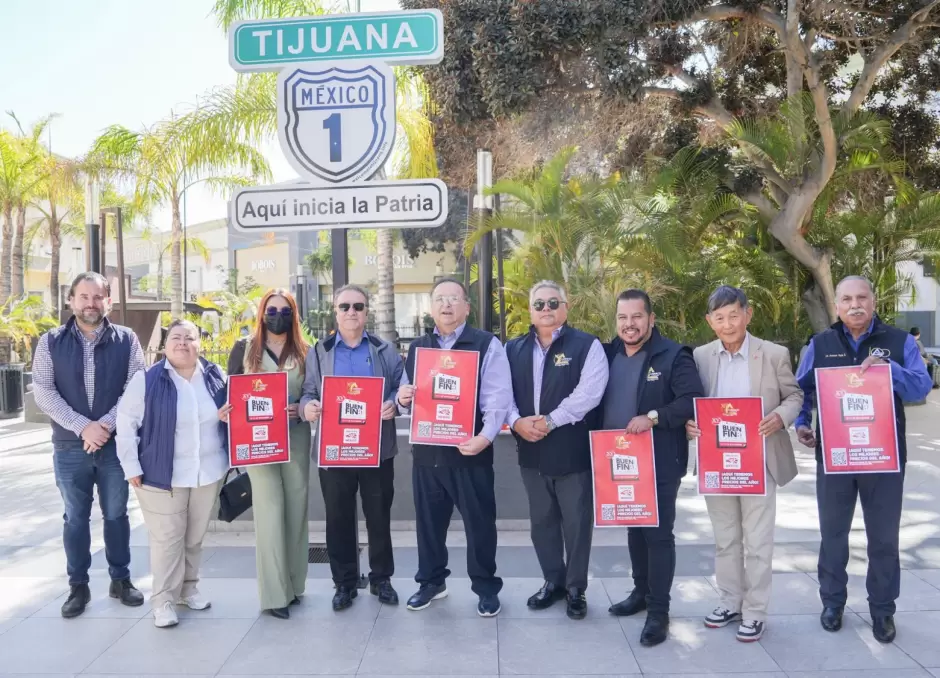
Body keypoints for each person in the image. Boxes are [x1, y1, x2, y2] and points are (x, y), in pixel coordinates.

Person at [795, 276, 932, 643]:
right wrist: (801, 423)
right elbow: (801, 390)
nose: (855, 304)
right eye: (846, 299)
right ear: (836, 304)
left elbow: (921, 387)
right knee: (833, 534)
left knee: (883, 539)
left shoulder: (899, 342)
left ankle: (883, 611)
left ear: (873, 300)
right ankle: (833, 603)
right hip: (836, 457)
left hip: (883, 458)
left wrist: (889, 370)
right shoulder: (820, 344)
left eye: (862, 297)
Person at [684, 286, 803, 642]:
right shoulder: (700, 356)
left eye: (734, 315)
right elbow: (691, 402)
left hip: (759, 461)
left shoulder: (773, 354)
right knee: (725, 540)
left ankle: (755, 611)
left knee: (758, 541)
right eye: (719, 318)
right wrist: (690, 424)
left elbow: (795, 395)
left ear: (747, 315)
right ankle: (730, 601)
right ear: (709, 321)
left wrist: (781, 417)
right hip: (717, 463)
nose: (727, 323)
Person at [32, 271, 146, 618]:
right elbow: (43, 391)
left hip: (114, 447)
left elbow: (136, 387)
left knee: (116, 515)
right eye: (84, 297)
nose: (90, 304)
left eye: (98, 297)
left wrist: (106, 427)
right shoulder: (50, 341)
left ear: (108, 301)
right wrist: (84, 428)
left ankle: (120, 579)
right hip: (70, 447)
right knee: (76, 519)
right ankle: (78, 587)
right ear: (71, 301)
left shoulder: (127, 340)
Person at [396, 277, 512, 616]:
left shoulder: (485, 343)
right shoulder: (419, 347)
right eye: (440, 299)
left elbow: (497, 397)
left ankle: (486, 587)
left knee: (479, 524)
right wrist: (403, 399)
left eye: (454, 299)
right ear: (431, 307)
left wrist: (485, 436)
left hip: (470, 452)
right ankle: (431, 582)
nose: (447, 305)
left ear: (467, 307)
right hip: (428, 454)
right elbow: (406, 395)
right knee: (429, 524)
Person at [602, 289, 704, 647]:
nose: (629, 325)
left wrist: (654, 417)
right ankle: (640, 593)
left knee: (658, 536)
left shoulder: (674, 355)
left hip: (660, 461)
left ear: (651, 319)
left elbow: (692, 400)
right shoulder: (607, 352)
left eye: (636, 317)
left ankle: (659, 612)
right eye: (623, 318)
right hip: (618, 461)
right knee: (635, 530)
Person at [115, 319, 231, 628]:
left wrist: (227, 418)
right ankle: (163, 600)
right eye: (176, 337)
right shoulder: (147, 380)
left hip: (207, 471)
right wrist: (131, 466)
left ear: (199, 343)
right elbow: (126, 424)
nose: (182, 343)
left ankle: (187, 590)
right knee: (168, 539)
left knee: (193, 538)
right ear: (166, 345)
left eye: (189, 338)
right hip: (160, 474)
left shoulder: (215, 376)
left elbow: (233, 414)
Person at [506, 281, 607, 620]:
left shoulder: (587, 345)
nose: (546, 309)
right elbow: (500, 393)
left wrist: (550, 421)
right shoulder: (513, 348)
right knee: (542, 523)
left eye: (553, 302)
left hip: (571, 449)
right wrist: (517, 421)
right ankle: (553, 581)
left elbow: (589, 394)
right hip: (530, 451)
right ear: (530, 310)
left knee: (577, 523)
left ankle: (576, 588)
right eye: (539, 304)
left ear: (566, 306)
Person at [299, 284, 404, 611]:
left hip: (376, 450)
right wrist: (308, 408)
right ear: (336, 311)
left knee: (378, 516)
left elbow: (402, 388)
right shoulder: (320, 350)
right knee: (338, 518)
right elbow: (307, 393)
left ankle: (381, 579)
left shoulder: (384, 350)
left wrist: (393, 404)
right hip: (334, 452)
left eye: (358, 306)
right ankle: (344, 583)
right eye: (344, 307)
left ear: (367, 311)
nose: (351, 312)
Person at [227, 289, 312, 619]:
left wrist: (301, 408)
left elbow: (313, 392)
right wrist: (228, 412)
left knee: (296, 508)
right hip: (258, 441)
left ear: (294, 314)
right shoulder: (244, 348)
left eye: (285, 310)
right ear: (262, 313)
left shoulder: (306, 350)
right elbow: (230, 391)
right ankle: (275, 595)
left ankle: (294, 585)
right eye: (272, 309)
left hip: (296, 438)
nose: (278, 315)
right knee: (270, 510)